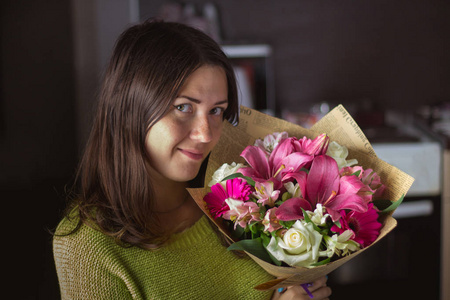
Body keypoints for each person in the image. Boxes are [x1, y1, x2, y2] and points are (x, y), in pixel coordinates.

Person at [53, 20, 332, 300]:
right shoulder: (88, 247)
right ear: (130, 107)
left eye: (216, 111)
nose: (205, 134)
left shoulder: (238, 199)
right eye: (183, 107)